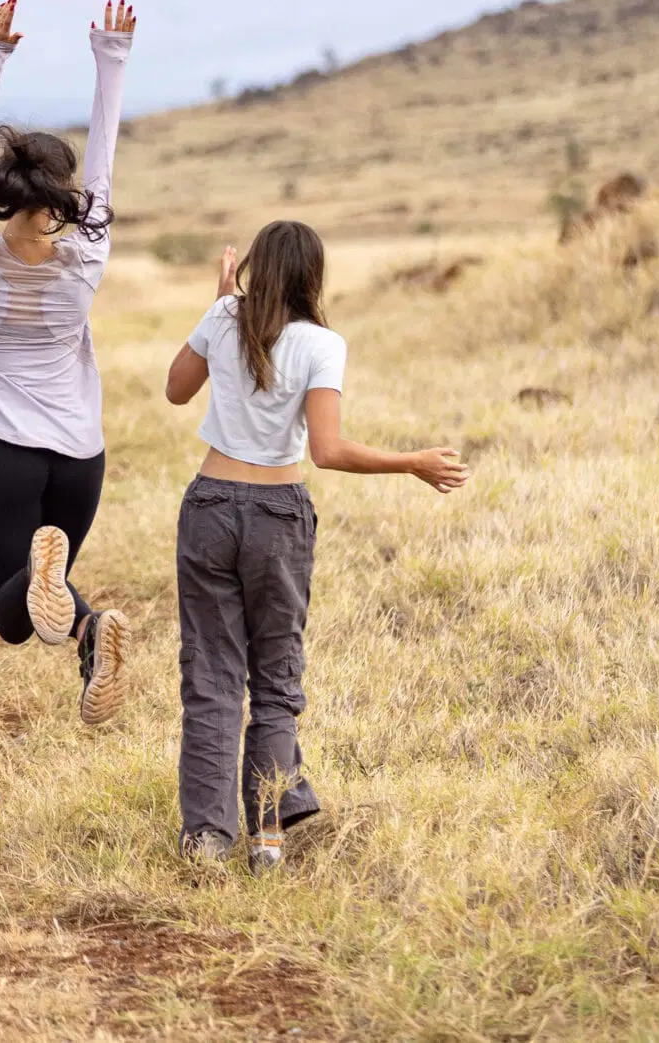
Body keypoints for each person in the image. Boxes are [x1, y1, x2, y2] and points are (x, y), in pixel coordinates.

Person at [163, 222, 467, 871]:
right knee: (275, 678)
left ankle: (208, 839)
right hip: (277, 515)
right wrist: (412, 460)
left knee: (212, 676)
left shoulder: (224, 316)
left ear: (255, 267)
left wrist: (219, 300)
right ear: (313, 276)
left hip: (211, 505)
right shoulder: (322, 343)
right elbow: (327, 450)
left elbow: (175, 387)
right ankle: (268, 839)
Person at [0, 0, 137, 723]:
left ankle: (43, 570)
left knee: (14, 612)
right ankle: (91, 633)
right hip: (81, 456)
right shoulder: (86, 255)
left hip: (5, 450)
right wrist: (110, 56)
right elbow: (105, 160)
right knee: (47, 601)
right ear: (63, 198)